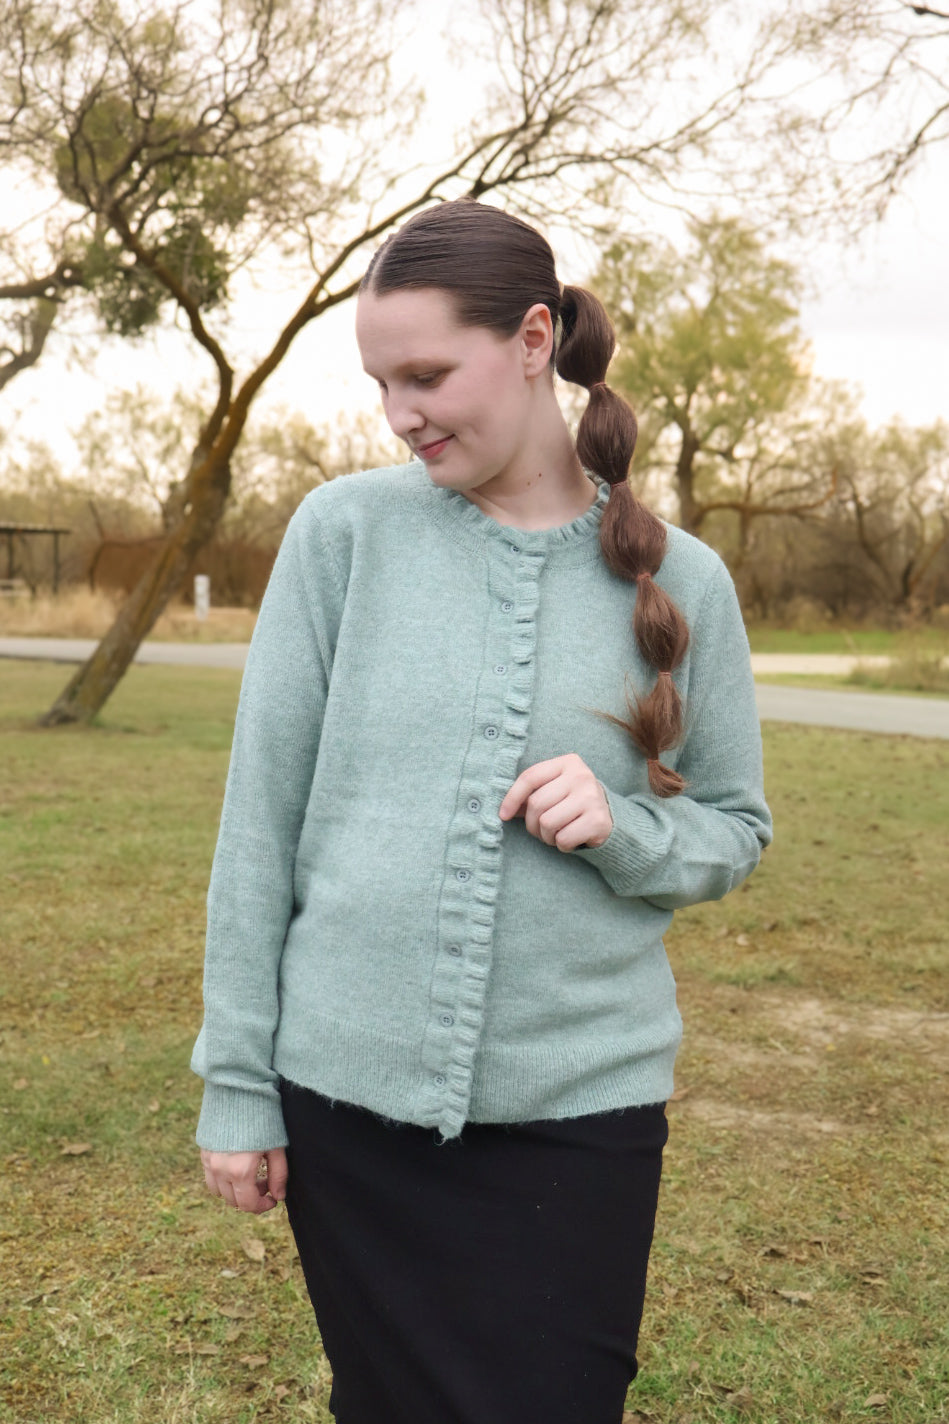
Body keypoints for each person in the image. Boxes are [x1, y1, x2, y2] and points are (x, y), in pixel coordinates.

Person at [193, 199, 772, 1424]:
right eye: (379, 383)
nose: (399, 413)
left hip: (584, 1111)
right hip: (348, 1106)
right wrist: (238, 1083)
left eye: (424, 375)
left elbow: (734, 826)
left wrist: (625, 826)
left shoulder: (683, 580)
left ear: (531, 339)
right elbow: (258, 827)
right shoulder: (343, 535)